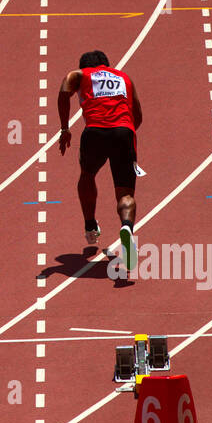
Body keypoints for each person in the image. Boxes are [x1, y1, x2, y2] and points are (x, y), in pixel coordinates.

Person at [58, 51, 142, 271]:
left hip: (94, 132)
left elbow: (64, 90)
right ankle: (126, 227)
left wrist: (65, 129)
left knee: (87, 175)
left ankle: (90, 225)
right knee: (125, 194)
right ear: (107, 64)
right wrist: (124, 133)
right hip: (124, 132)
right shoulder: (124, 78)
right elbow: (138, 116)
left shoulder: (81, 74)